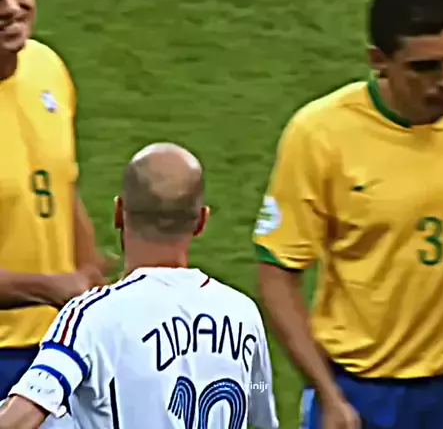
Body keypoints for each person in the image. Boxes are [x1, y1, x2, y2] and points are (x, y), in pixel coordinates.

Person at [253, 0, 443, 429]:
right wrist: (328, 394)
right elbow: (277, 274)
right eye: (425, 67)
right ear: (380, 60)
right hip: (368, 393)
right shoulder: (320, 135)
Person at [0, 142, 279, 429]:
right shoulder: (243, 314)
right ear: (201, 221)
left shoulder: (93, 317)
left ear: (119, 212)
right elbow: (258, 398)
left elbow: (21, 416)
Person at [0, 0, 111, 403]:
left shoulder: (47, 67)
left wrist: (89, 278)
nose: (11, 8)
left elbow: (60, 185)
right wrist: (47, 286)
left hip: (60, 344)